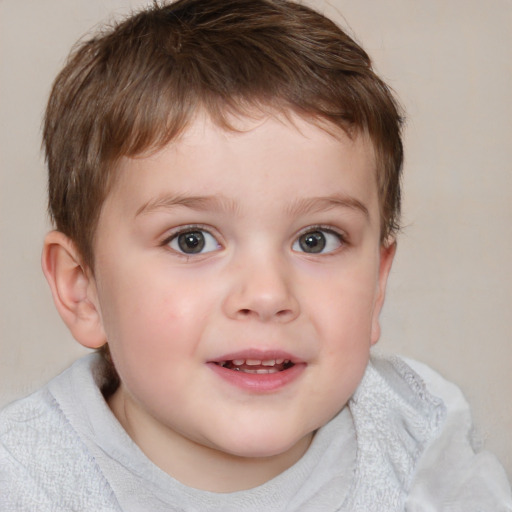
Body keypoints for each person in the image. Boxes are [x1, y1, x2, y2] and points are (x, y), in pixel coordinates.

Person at [0, 0, 510, 510]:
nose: (267, 294)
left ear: (377, 285)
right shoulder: (25, 481)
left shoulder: (419, 436)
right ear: (82, 289)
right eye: (192, 240)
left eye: (317, 240)